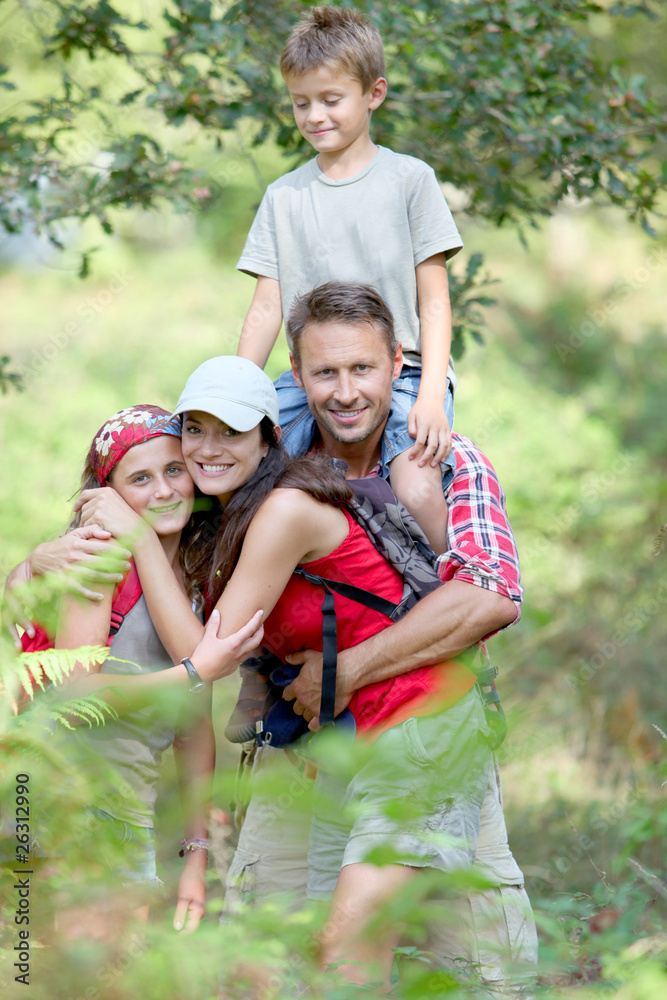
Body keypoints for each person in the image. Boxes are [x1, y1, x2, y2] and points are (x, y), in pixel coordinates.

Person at [226, 282, 537, 992]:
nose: (345, 392)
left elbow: (489, 595)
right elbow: (167, 490)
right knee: (269, 966)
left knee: (478, 969)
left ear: (397, 363)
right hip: (301, 755)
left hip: (423, 730)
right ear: (296, 375)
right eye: (324, 372)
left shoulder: (446, 461)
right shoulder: (270, 470)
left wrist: (342, 670)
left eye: (362, 369)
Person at [15, 405, 263, 934]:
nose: (164, 491)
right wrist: (192, 672)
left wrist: (196, 854)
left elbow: (192, 729)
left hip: (132, 810)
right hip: (71, 802)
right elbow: (74, 694)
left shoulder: (195, 577)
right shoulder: (100, 560)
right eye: (140, 479)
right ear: (111, 495)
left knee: (116, 968)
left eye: (174, 470)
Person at [236, 5, 462, 555]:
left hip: (405, 373)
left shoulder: (409, 180)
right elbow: (266, 308)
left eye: (331, 99)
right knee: (245, 477)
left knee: (414, 487)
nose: (314, 115)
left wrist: (431, 396)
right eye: (301, 103)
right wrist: (237, 394)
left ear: (373, 93)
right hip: (310, 379)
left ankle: (453, 588)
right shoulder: (284, 196)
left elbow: (434, 301)